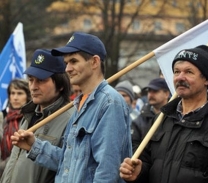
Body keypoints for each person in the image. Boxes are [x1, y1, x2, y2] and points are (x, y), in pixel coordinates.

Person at [119, 45, 208, 183]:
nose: (180, 77)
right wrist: (139, 173)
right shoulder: (160, 120)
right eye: (176, 72)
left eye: (189, 72)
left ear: (206, 80)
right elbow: (149, 166)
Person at [10, 32, 132, 182]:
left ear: (94, 62)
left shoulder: (109, 103)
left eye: (73, 61)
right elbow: (68, 163)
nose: (67, 69)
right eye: (67, 62)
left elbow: (108, 170)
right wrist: (34, 146)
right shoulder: (80, 103)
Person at [0, 49, 74, 183]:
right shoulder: (28, 114)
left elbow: (72, 167)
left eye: (41, 80)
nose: (33, 87)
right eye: (31, 80)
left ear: (61, 85)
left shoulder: (72, 119)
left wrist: (36, 147)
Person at [0, 79, 31, 176]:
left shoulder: (31, 118)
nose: (15, 97)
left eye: (20, 93)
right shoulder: (2, 116)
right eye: (12, 93)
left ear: (28, 96)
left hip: (22, 172)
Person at [131, 78, 170, 151]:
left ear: (166, 94)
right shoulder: (139, 121)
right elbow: (134, 146)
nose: (150, 94)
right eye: (149, 91)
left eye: (155, 91)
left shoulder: (175, 117)